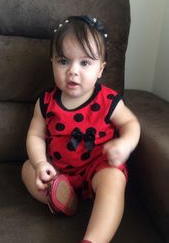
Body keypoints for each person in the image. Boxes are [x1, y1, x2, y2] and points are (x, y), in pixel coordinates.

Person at [22, 15, 140, 243]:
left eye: (85, 63)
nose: (73, 71)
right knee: (27, 169)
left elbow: (131, 123)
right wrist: (40, 163)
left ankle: (94, 239)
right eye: (63, 61)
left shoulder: (109, 100)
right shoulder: (46, 102)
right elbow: (35, 135)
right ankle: (62, 199)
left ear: (100, 70)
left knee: (115, 179)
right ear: (52, 62)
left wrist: (125, 144)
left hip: (97, 167)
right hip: (58, 172)